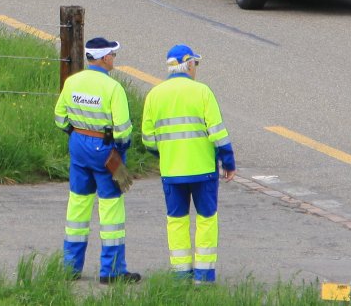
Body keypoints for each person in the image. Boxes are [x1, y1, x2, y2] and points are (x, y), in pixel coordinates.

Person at [141, 44, 234, 284]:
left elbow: (148, 140)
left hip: (171, 171)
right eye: (196, 64)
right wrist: (228, 161)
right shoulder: (202, 92)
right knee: (206, 219)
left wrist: (167, 154)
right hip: (203, 171)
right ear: (189, 64)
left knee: (177, 221)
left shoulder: (154, 95)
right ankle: (204, 276)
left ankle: (180, 274)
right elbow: (218, 133)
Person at [54, 37, 140, 284]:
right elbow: (123, 131)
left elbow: (60, 119)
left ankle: (70, 267)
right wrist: (119, 152)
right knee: (111, 210)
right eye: (113, 55)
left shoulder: (72, 82)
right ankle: (112, 270)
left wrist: (77, 135)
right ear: (104, 58)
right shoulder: (113, 88)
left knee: (78, 206)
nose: (114, 59)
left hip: (78, 146)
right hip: (105, 151)